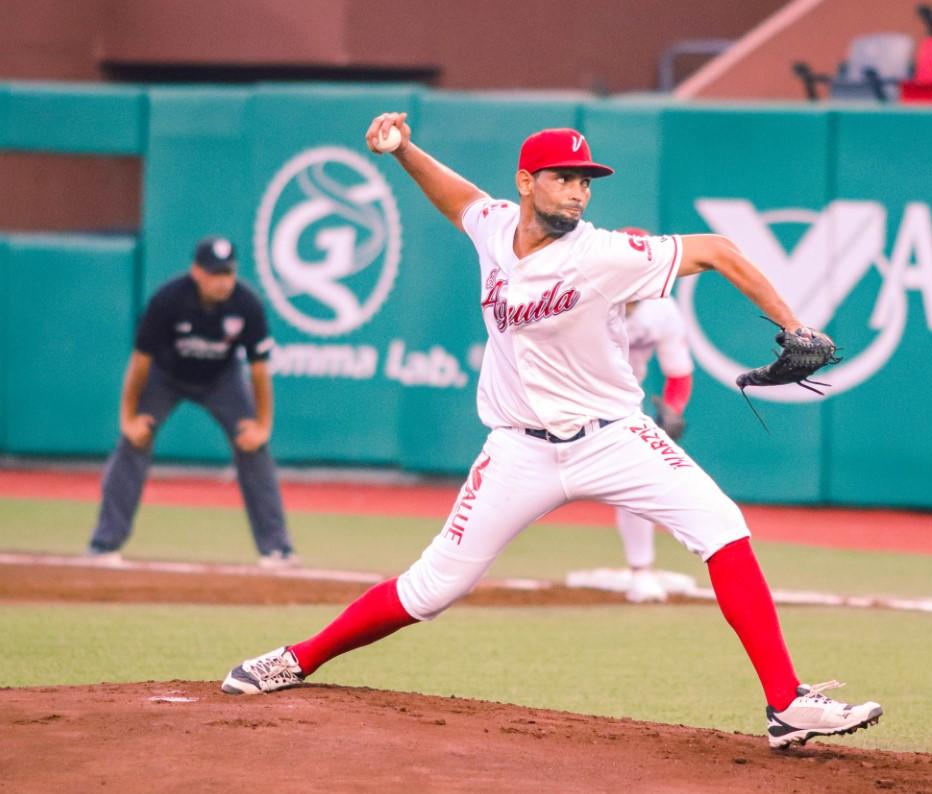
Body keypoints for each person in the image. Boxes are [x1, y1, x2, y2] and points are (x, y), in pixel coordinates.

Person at [220, 115, 884, 750]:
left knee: (723, 524)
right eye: (562, 175)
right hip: (518, 449)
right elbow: (456, 198)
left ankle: (786, 703)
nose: (577, 189)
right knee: (430, 589)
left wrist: (794, 326)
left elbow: (718, 250)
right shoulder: (492, 224)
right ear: (525, 181)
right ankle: (296, 657)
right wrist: (402, 152)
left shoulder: (602, 252)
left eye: (585, 179)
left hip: (615, 435)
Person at [87, 236, 296, 569]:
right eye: (215, 273)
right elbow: (140, 361)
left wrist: (263, 425)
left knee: (253, 446)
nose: (223, 280)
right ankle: (104, 544)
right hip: (165, 376)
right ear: (197, 272)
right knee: (134, 441)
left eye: (228, 272)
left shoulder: (247, 304)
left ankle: (277, 549)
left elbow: (258, 370)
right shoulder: (169, 299)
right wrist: (128, 418)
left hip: (222, 380)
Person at [616, 227, 695, 604]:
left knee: (636, 483)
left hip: (620, 405)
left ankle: (641, 571)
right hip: (563, 399)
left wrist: (673, 409)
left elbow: (678, 372)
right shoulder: (582, 296)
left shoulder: (661, 309)